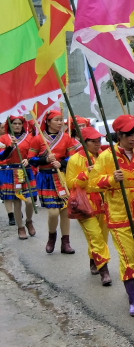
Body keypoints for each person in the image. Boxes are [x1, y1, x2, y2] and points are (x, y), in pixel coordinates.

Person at [89, 116, 134, 316]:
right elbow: (93, 183)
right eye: (129, 135)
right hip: (119, 213)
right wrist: (111, 179)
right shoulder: (106, 156)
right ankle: (133, 298)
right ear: (119, 135)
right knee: (127, 256)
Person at [28, 108, 80, 254]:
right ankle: (52, 238)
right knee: (53, 213)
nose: (60, 123)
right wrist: (45, 159)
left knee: (64, 211)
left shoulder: (66, 137)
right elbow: (31, 159)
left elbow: (73, 156)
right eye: (56, 120)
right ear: (48, 122)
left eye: (61, 120)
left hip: (61, 176)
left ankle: (66, 242)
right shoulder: (38, 138)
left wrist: (62, 164)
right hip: (46, 178)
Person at [66, 127, 112, 286]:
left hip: (104, 203)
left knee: (102, 237)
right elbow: (70, 184)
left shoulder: (105, 156)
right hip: (85, 205)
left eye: (99, 140)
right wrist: (85, 173)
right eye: (93, 141)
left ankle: (94, 260)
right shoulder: (74, 160)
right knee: (96, 237)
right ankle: (104, 271)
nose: (98, 144)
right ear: (84, 142)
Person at [0, 115, 36, 239]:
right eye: (14, 123)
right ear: (10, 125)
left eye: (19, 123)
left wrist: (29, 160)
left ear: (22, 125)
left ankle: (29, 221)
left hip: (26, 171)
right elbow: (1, 157)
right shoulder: (4, 138)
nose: (17, 125)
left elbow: (33, 154)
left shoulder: (29, 137)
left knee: (30, 201)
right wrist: (10, 146)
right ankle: (20, 228)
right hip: (11, 172)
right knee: (17, 202)